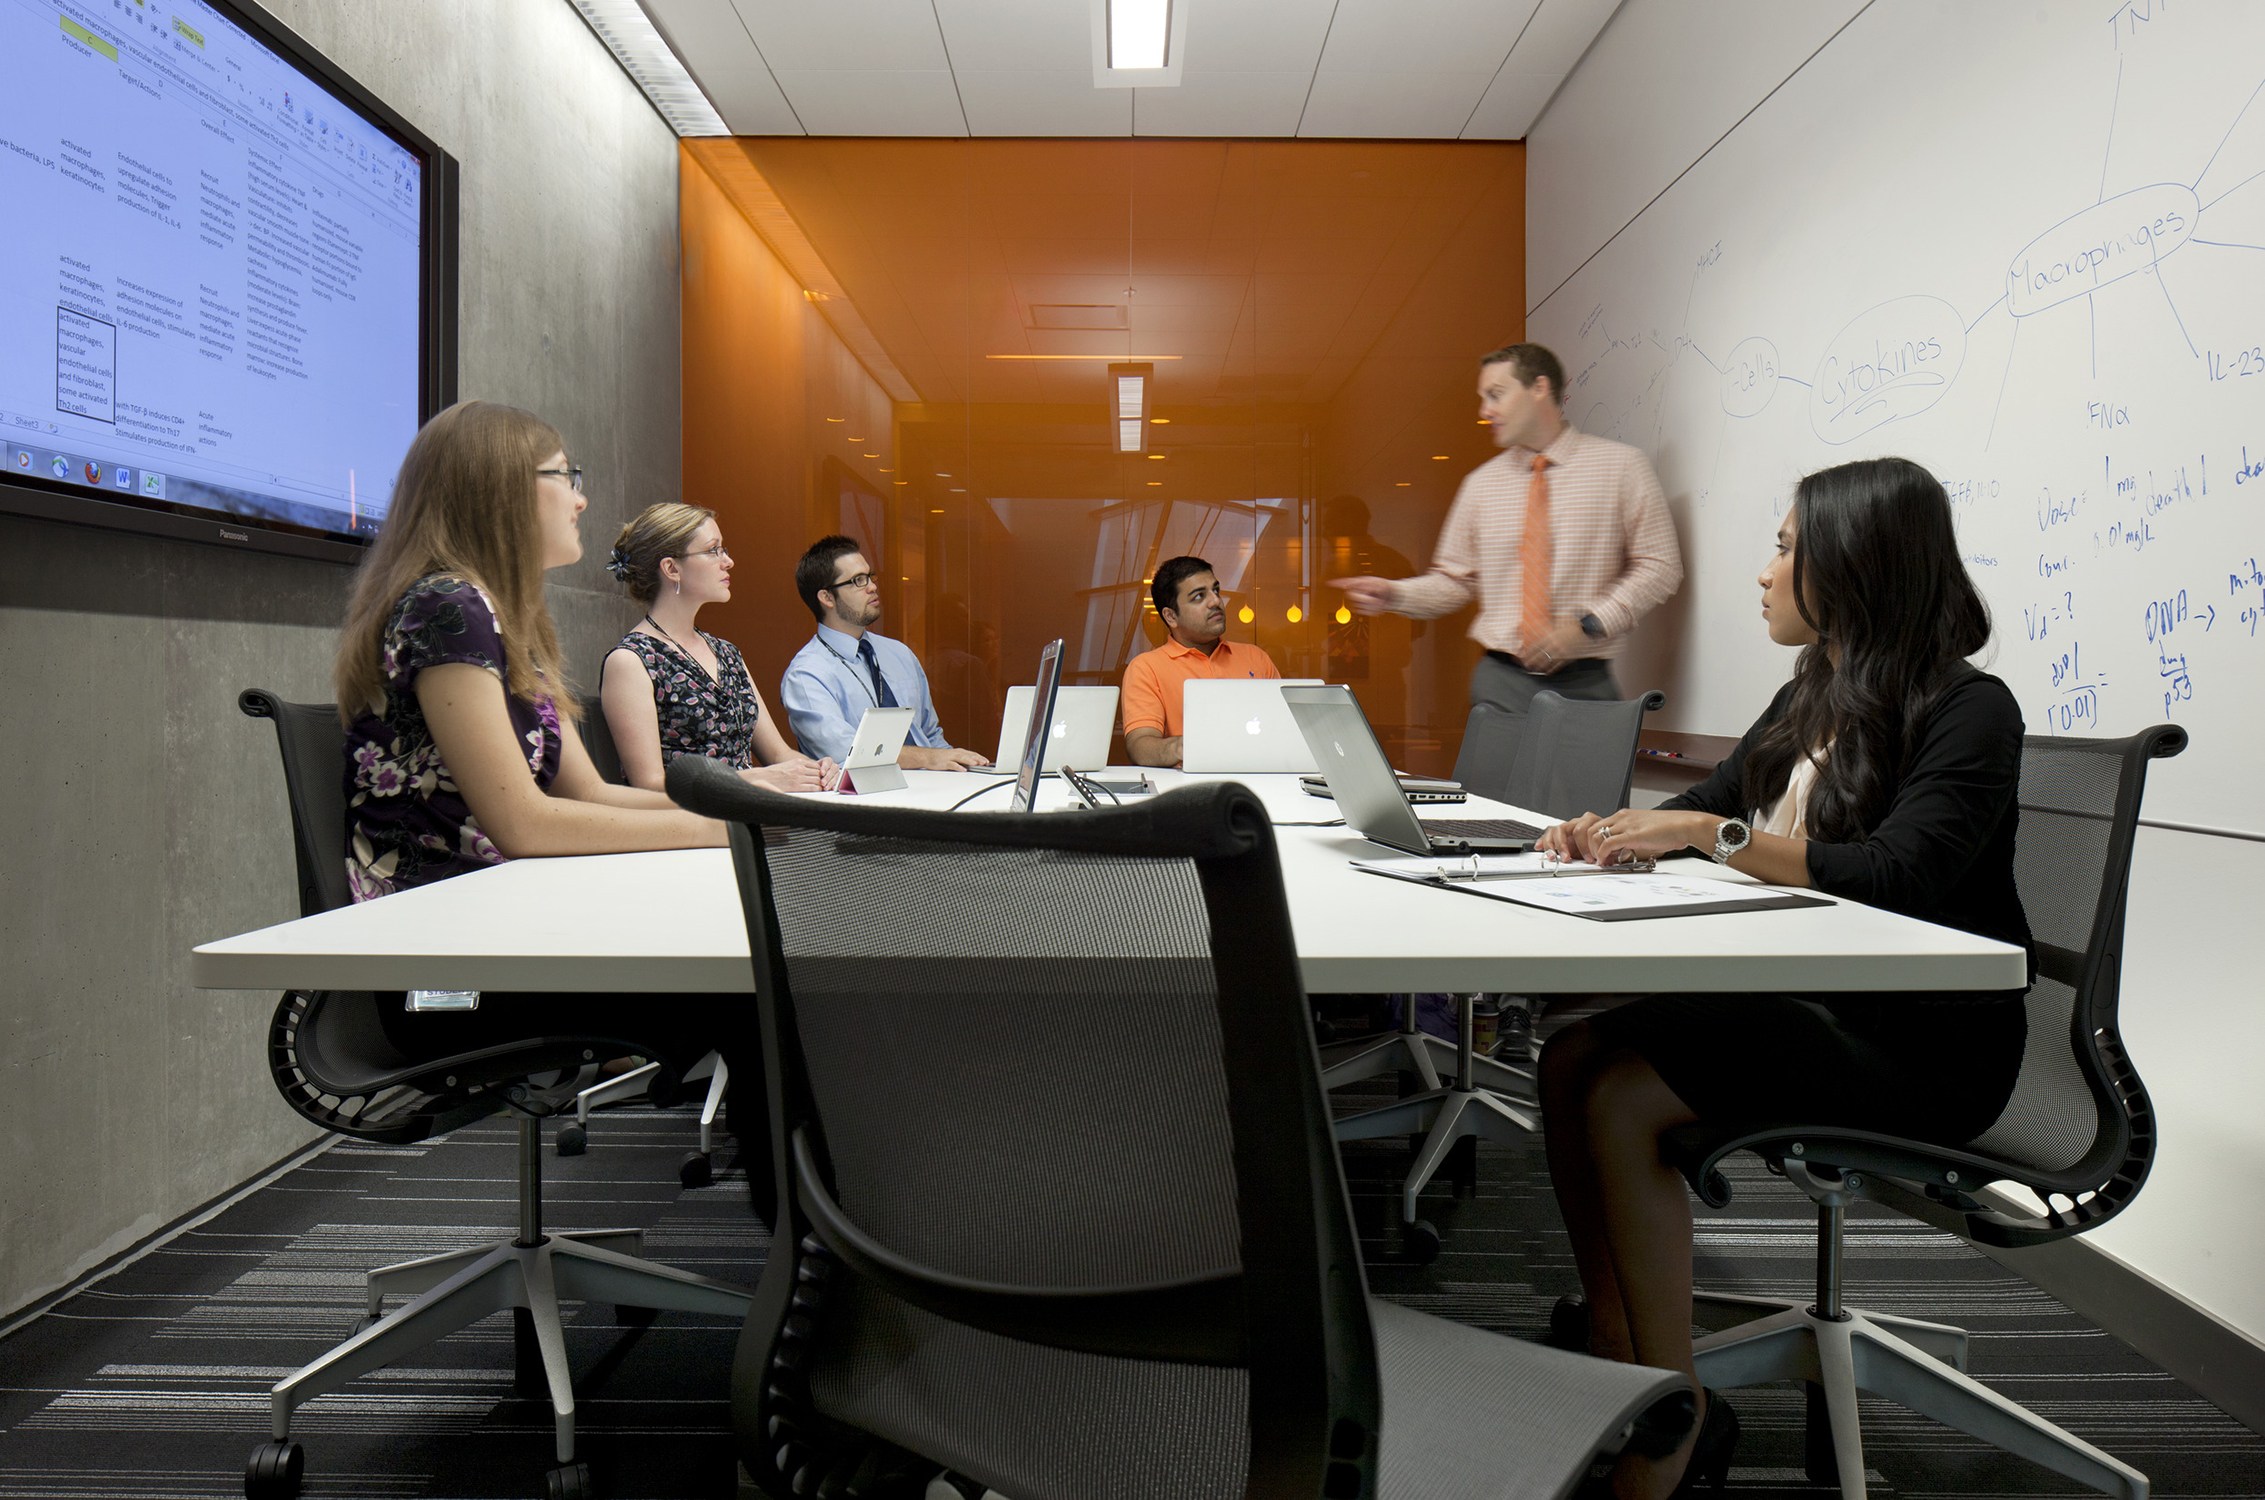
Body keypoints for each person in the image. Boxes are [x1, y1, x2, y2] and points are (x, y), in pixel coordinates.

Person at [1530, 457, 2032, 1499]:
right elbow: (1711, 808)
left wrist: (1705, 833)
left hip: (1926, 1045)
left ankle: (1672, 1420)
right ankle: (1627, 1372)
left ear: (1851, 564)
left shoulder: (1970, 709)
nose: (1764, 573)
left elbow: (1901, 876)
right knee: (1569, 1054)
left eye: (1785, 546)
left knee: (1621, 1095)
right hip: (1824, 1006)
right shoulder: (1811, 694)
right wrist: (1618, 834)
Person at [333, 401, 773, 1215]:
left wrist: (741, 809)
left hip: (506, 926)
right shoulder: (446, 610)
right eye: (563, 476)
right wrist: (725, 829)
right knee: (760, 998)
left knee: (757, 988)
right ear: (498, 489)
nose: (578, 498)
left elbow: (593, 795)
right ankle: (810, 1256)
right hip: (448, 967)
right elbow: (527, 826)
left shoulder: (509, 622)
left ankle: (807, 1242)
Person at [1331, 342, 1682, 722]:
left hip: (1586, 684)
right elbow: (1456, 582)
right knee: (1491, 785)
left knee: (1589, 784)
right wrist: (1395, 593)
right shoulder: (1480, 485)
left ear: (1538, 388)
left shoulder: (1620, 468)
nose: (1484, 411)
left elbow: (1660, 565)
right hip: (1499, 683)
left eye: (1495, 395)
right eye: (1482, 398)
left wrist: (1589, 625)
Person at [598, 502, 840, 794]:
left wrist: (820, 771)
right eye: (713, 550)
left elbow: (778, 755)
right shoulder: (630, 661)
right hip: (689, 831)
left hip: (748, 814)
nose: (728, 561)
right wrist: (756, 780)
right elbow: (649, 785)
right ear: (672, 568)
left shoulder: (726, 653)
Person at [778, 536, 993, 770]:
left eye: (870, 576)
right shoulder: (807, 674)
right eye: (858, 580)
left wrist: (966, 769)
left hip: (935, 791)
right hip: (865, 800)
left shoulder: (899, 653)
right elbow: (847, 752)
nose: (872, 586)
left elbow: (930, 736)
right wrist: (928, 758)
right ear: (827, 597)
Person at [1120, 555, 1283, 768]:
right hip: (1189, 792)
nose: (1216, 601)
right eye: (1198, 597)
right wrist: (1181, 747)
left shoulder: (1256, 657)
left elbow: (1285, 730)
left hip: (1265, 782)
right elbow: (1140, 746)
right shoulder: (1146, 668)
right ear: (1171, 617)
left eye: (1215, 590)